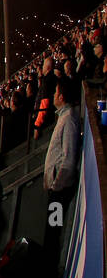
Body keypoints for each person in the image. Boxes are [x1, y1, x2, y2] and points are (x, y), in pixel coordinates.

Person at [43, 78, 82, 263]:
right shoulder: (64, 117)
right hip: (56, 191)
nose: (52, 96)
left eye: (55, 92)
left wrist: (56, 186)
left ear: (61, 95)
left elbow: (68, 160)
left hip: (58, 193)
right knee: (51, 230)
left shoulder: (69, 121)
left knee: (53, 232)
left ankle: (50, 269)